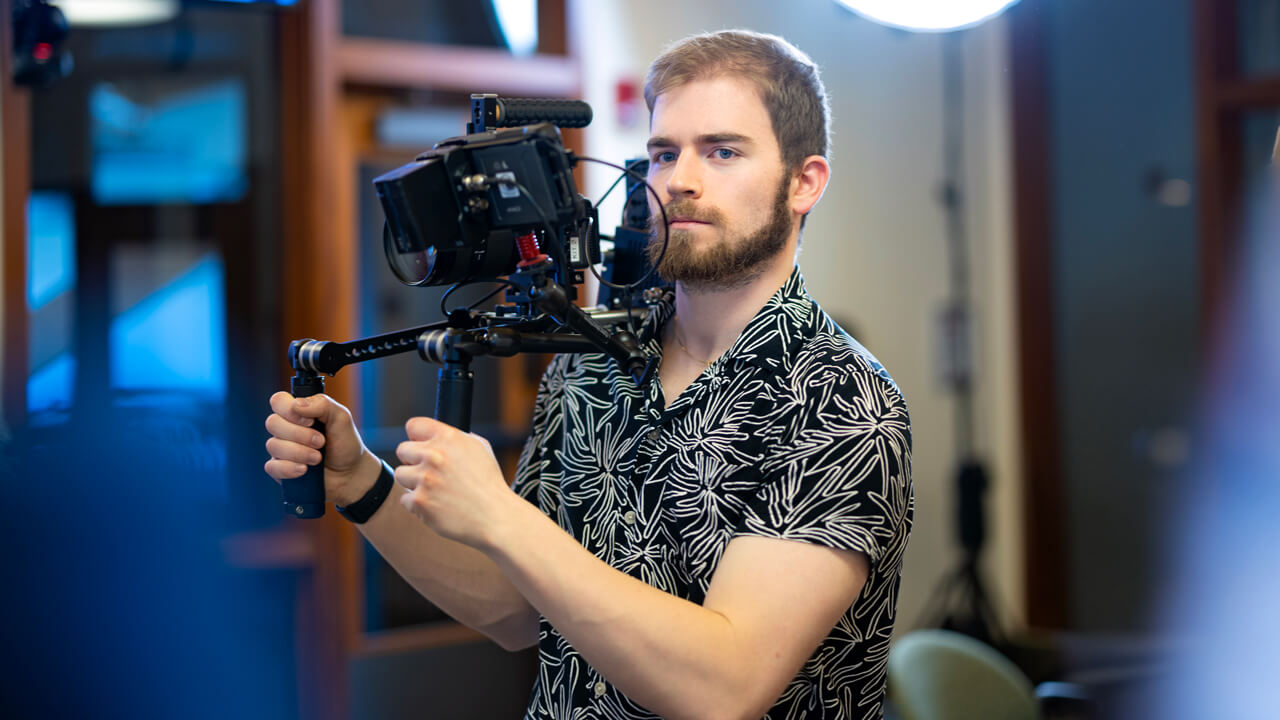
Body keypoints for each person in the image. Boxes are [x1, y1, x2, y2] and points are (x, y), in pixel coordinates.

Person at [265, 29, 913, 720]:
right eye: (666, 153)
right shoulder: (589, 361)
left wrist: (504, 520)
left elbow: (724, 688)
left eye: (722, 151)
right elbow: (514, 611)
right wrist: (363, 483)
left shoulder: (841, 398)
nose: (682, 179)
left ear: (804, 183)